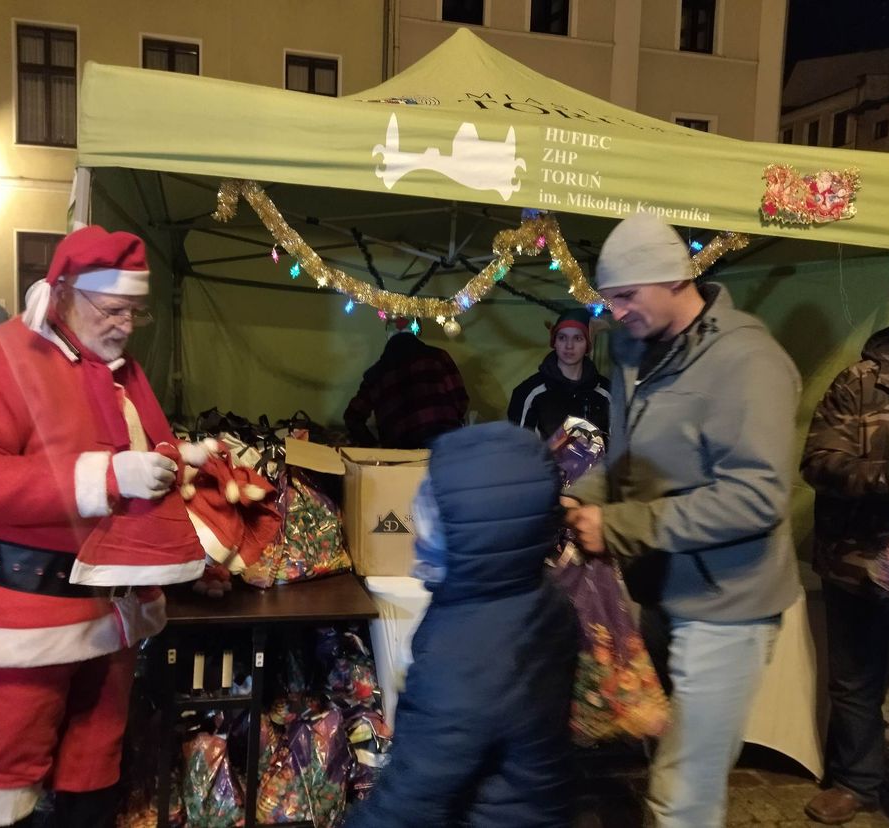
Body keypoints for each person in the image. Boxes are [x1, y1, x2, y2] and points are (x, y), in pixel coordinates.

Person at [0, 225, 209, 828]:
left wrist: (183, 459)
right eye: (113, 310)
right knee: (11, 765)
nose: (127, 326)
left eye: (136, 313)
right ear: (65, 293)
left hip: (110, 613)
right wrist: (103, 478)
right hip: (18, 614)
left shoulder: (116, 367)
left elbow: (136, 448)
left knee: (95, 759)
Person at [562, 213, 801, 827]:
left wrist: (616, 527)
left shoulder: (747, 360)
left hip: (727, 607)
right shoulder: (635, 350)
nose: (613, 313)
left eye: (625, 297)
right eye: (607, 300)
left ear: (671, 279)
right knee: (659, 759)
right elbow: (624, 461)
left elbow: (754, 497)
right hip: (659, 594)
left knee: (683, 789)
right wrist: (578, 497)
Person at [343, 421, 579, 828]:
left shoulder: (461, 662)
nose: (420, 528)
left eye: (435, 514)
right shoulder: (543, 599)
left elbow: (410, 805)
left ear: (475, 531)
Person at [799, 309, 889, 825]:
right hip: (856, 560)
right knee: (856, 681)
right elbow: (821, 462)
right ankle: (856, 782)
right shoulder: (860, 381)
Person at [343, 317, 468, 449]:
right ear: (417, 332)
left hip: (401, 454)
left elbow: (352, 417)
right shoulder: (437, 357)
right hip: (444, 445)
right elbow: (460, 399)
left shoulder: (375, 374)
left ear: (388, 334)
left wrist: (374, 446)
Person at [507, 306, 610, 438]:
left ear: (587, 345)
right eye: (562, 338)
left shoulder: (606, 393)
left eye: (577, 338)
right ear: (554, 342)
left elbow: (616, 446)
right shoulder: (528, 393)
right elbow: (518, 447)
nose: (569, 346)